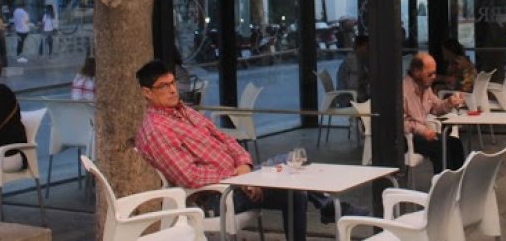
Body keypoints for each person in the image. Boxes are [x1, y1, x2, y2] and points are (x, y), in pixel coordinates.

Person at [136, 60, 347, 239]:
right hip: (218, 196)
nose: (173, 90)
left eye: (173, 83)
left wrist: (244, 166)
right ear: (147, 92)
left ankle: (328, 207)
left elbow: (227, 140)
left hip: (240, 181)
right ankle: (332, 208)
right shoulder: (157, 130)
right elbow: (189, 176)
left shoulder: (186, 112)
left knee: (295, 183)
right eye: (163, 86)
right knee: (292, 167)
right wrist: (239, 179)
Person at [403, 53, 465, 171]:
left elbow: (436, 108)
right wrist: (422, 130)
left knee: (455, 143)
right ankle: (443, 186)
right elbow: (400, 121)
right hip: (406, 137)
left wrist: (450, 102)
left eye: (434, 73)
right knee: (440, 148)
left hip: (422, 133)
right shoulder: (404, 90)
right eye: (430, 74)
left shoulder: (425, 87)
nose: (434, 77)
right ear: (416, 72)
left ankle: (458, 183)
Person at [337, 35, 370, 102]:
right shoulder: (353, 62)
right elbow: (353, 86)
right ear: (358, 47)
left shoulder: (355, 59)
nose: (368, 51)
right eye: (367, 48)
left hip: (349, 96)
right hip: (349, 100)